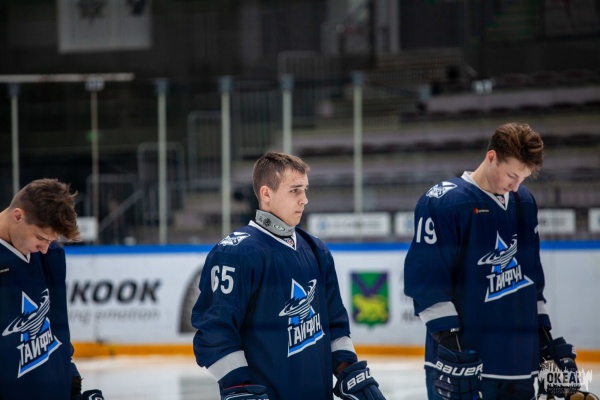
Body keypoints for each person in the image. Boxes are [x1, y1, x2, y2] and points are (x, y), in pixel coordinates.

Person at [403, 122, 598, 400]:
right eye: (512, 175)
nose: (515, 186)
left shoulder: (524, 202)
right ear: (491, 157)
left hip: (519, 366)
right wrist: (451, 345)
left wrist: (543, 339)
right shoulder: (444, 202)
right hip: (463, 366)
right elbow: (428, 283)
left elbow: (532, 281)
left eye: (523, 178)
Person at [191, 152, 386, 400]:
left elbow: (334, 322)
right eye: (295, 190)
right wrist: (238, 385)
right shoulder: (235, 253)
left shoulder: (315, 249)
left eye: (305, 190)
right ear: (266, 194)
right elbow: (215, 331)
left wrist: (348, 370)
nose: (304, 199)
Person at [0, 178, 104, 400]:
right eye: (40, 238)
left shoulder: (51, 255)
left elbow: (56, 328)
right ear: (17, 216)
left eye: (51, 240)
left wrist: (71, 381)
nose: (45, 248)